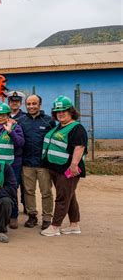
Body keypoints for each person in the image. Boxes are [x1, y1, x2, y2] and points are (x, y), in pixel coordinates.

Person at [41, 96, 87, 237]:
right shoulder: (59, 126)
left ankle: (55, 227)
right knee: (69, 196)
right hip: (57, 168)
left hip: (68, 170)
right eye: (58, 111)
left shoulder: (76, 128)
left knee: (62, 198)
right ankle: (74, 225)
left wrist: (74, 166)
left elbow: (79, 147)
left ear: (71, 111)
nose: (61, 113)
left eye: (64, 110)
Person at [18, 94, 56, 230]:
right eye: (28, 104)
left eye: (34, 104)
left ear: (40, 105)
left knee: (46, 192)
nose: (31, 106)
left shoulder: (49, 121)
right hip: (27, 163)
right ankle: (32, 215)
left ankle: (47, 218)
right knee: (28, 191)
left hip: (44, 164)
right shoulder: (21, 121)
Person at [0, 103, 24, 229]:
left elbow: (20, 143)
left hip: (11, 165)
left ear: (8, 115)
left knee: (11, 190)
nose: (0, 117)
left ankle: (13, 216)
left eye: (3, 115)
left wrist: (10, 131)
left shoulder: (15, 126)